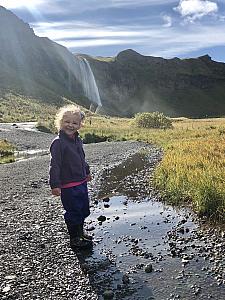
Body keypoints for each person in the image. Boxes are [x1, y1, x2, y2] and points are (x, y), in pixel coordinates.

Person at [49, 105, 93, 249]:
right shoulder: (58, 143)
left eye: (75, 123)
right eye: (67, 121)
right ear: (60, 122)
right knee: (73, 211)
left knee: (83, 209)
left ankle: (81, 233)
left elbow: (82, 158)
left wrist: (87, 172)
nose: (70, 125)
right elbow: (55, 165)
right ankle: (74, 238)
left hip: (81, 182)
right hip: (68, 185)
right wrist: (55, 185)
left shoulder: (77, 140)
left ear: (80, 125)